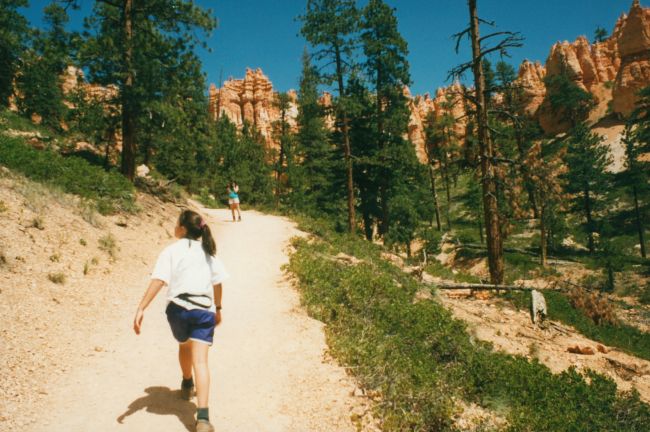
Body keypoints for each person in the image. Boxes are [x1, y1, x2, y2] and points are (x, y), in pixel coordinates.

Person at [133, 209, 229, 432]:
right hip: (204, 310)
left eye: (176, 223)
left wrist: (141, 307)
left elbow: (159, 279)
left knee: (184, 345)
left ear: (183, 229)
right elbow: (218, 283)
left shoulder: (171, 251)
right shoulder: (209, 252)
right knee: (202, 362)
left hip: (178, 310)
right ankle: (203, 418)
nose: (174, 226)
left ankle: (187, 383)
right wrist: (219, 308)